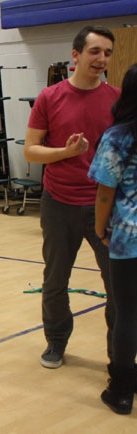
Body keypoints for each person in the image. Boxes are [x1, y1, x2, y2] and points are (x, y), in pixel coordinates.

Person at [24, 25, 121, 369]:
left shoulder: (117, 100)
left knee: (118, 285)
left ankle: (120, 356)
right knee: (54, 281)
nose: (102, 59)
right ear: (76, 55)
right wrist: (63, 153)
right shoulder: (50, 97)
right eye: (95, 52)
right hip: (59, 202)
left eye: (107, 53)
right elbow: (31, 152)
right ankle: (56, 341)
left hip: (106, 206)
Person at [88, 62, 137, 415]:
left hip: (128, 238)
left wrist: (99, 228)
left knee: (127, 314)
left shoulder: (119, 135)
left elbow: (106, 193)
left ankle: (121, 390)